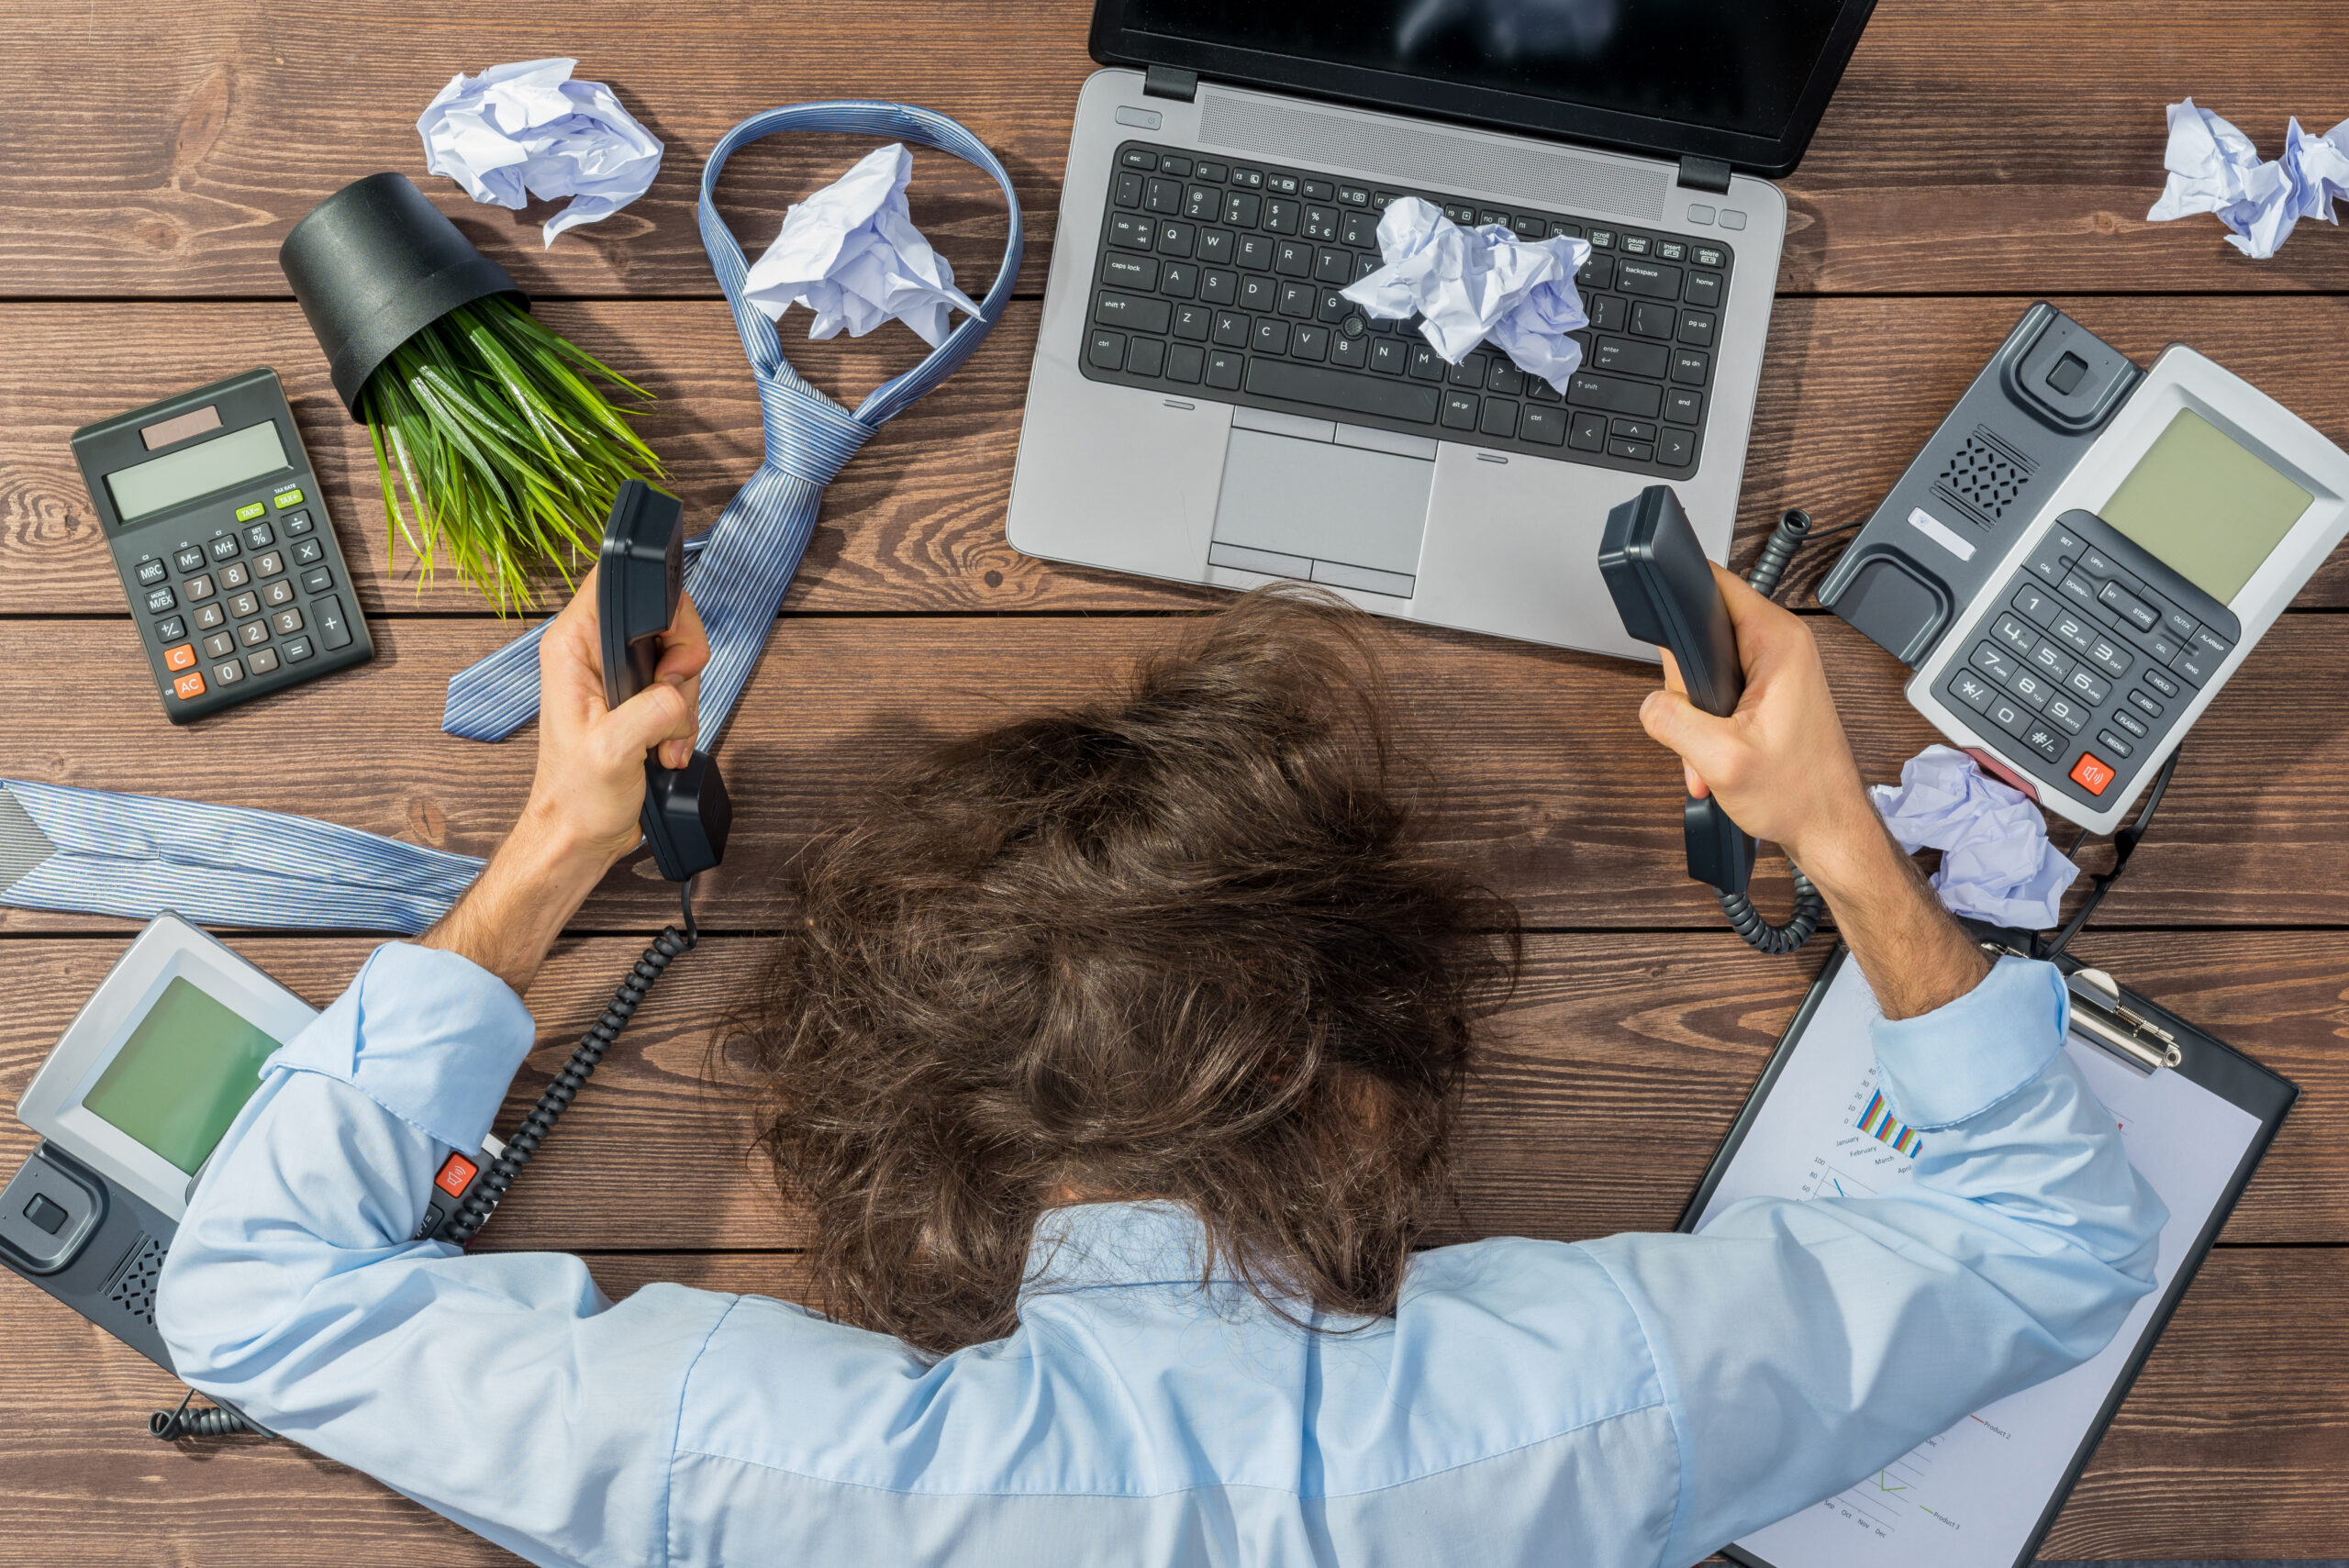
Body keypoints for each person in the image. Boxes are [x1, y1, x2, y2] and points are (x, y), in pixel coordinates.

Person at [158, 570, 2164, 1568]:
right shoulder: (1573, 1406)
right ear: (1361, 1067)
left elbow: (251, 1294)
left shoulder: (774, 1477)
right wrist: (1833, 835)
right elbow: (2045, 1242)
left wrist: (546, 862)